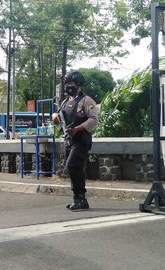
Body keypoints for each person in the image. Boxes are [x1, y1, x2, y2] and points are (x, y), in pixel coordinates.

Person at [52, 70, 98, 211]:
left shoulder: (86, 100)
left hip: (81, 140)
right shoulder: (66, 101)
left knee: (73, 165)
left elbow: (93, 119)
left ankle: (81, 198)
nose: (68, 87)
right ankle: (77, 198)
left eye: (71, 84)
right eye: (67, 84)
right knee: (73, 169)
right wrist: (55, 116)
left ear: (78, 85)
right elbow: (59, 114)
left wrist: (78, 128)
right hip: (69, 140)